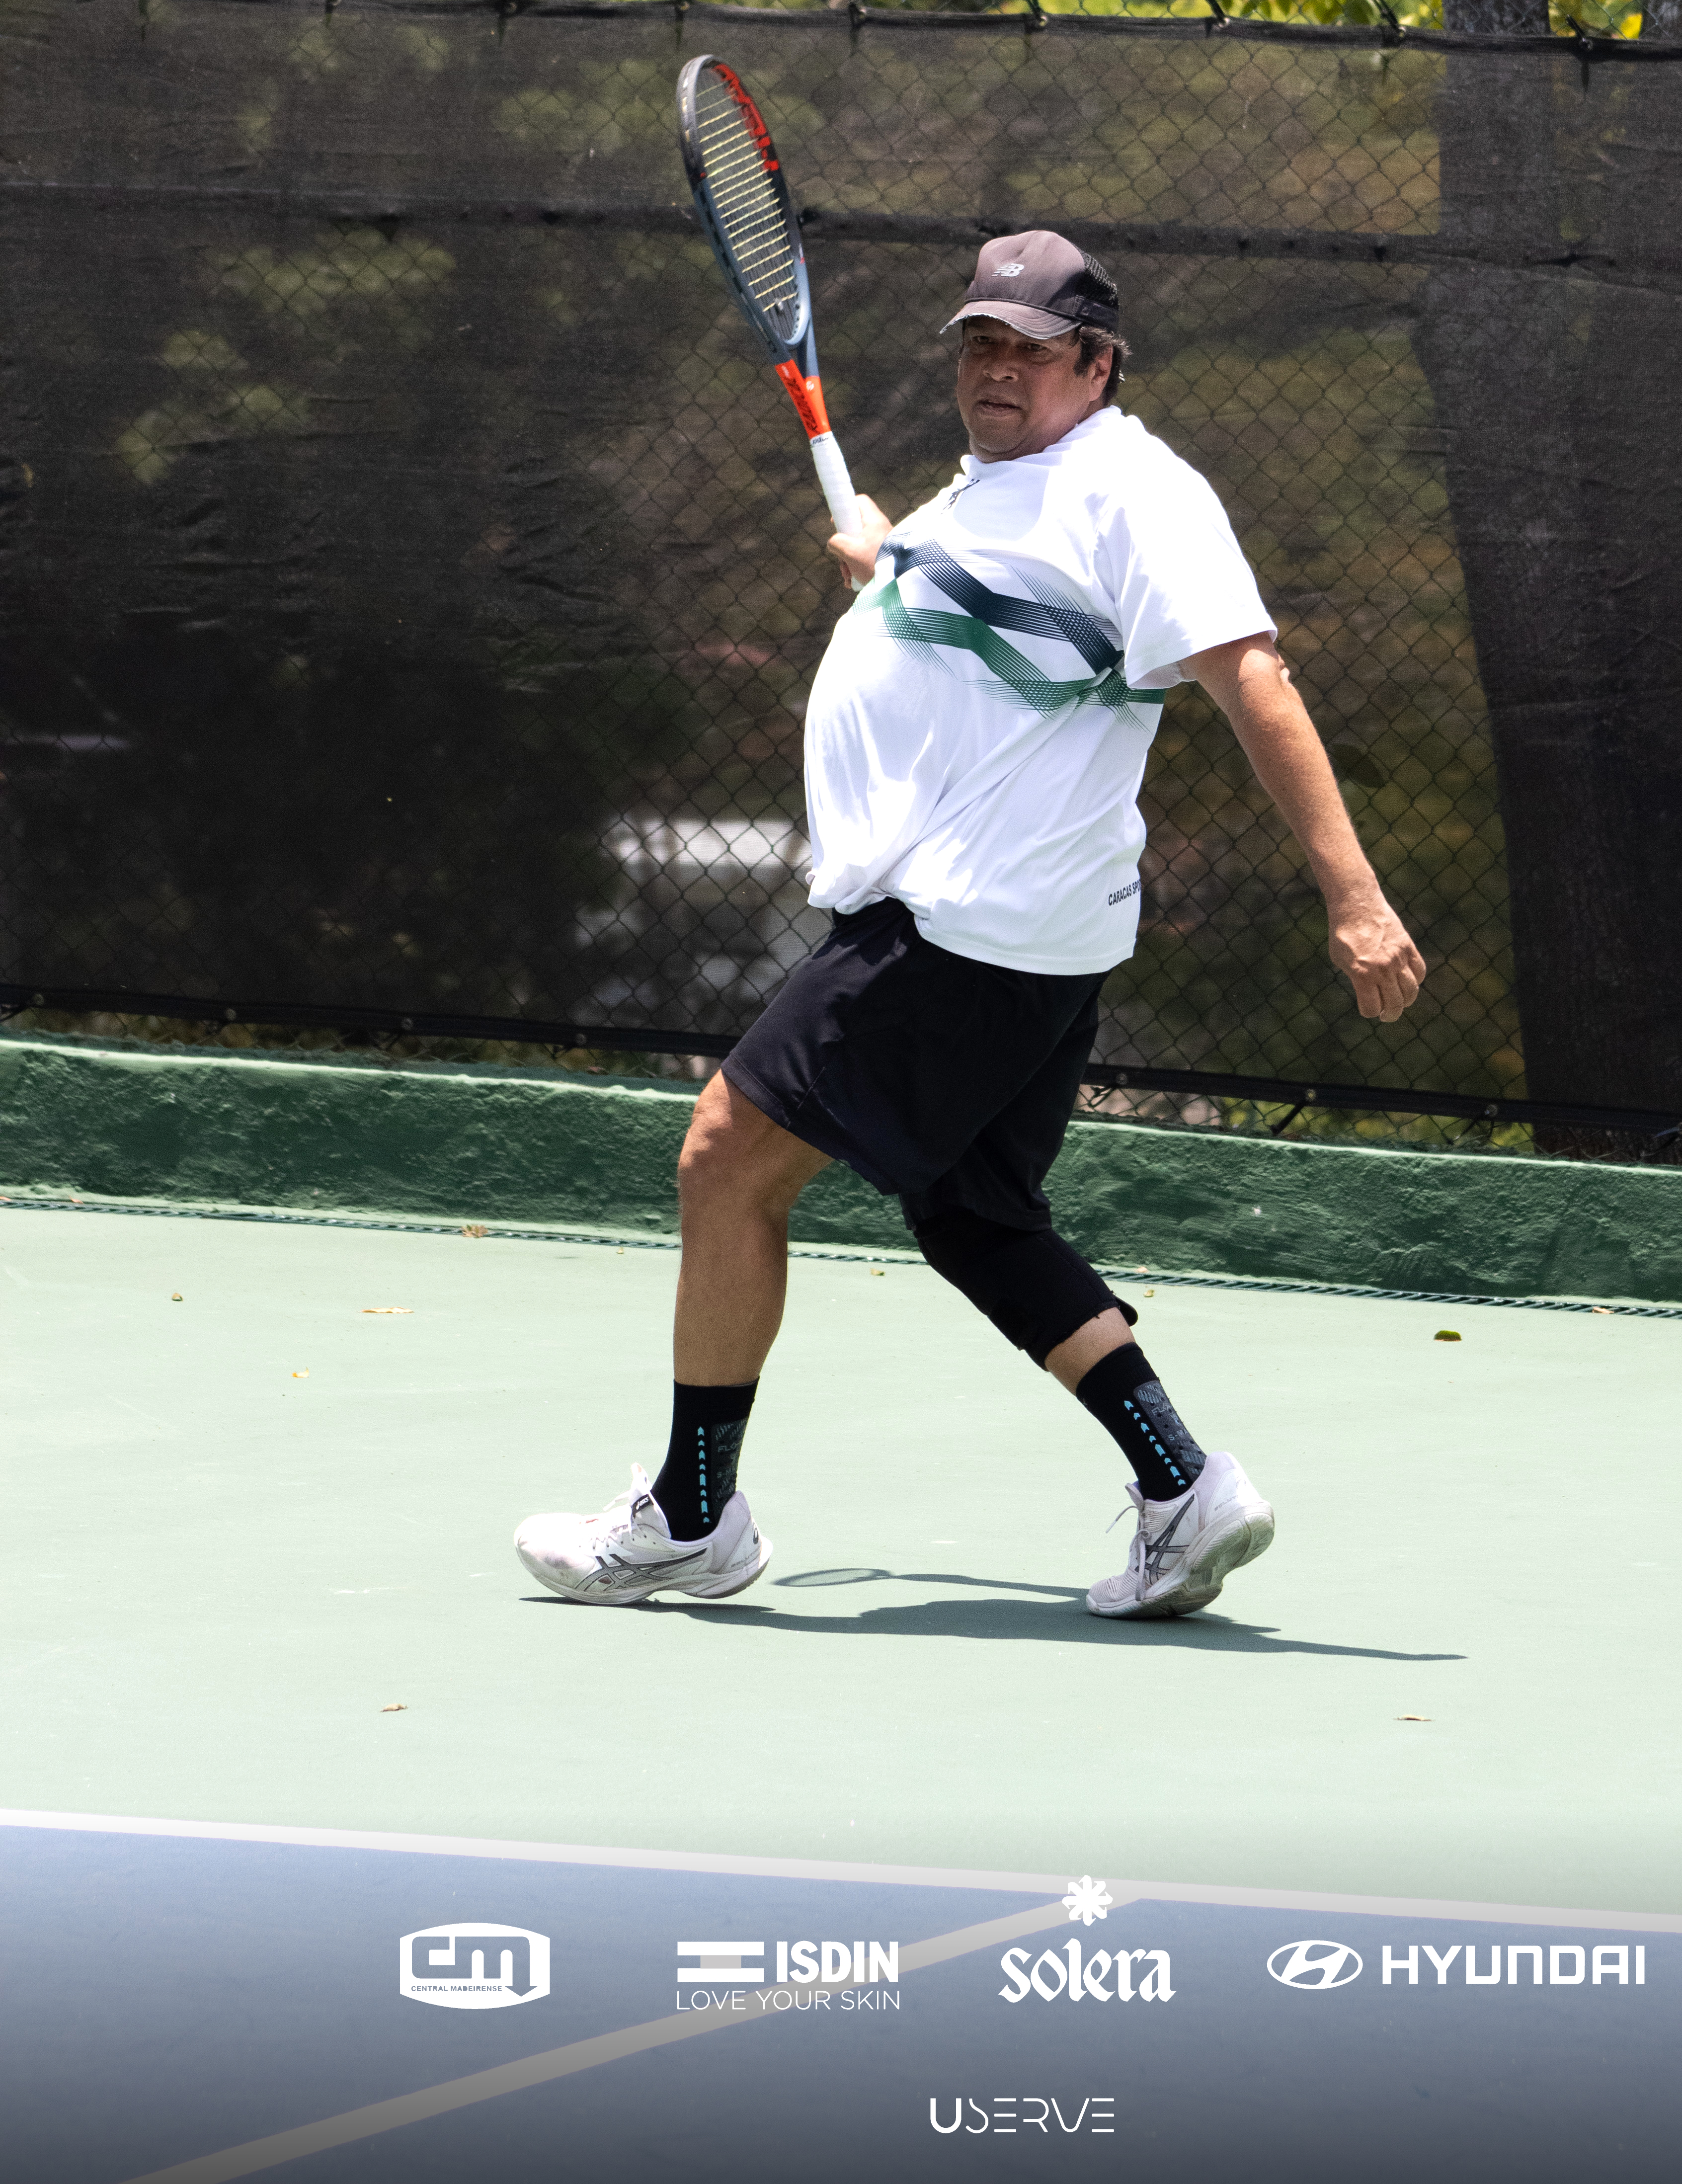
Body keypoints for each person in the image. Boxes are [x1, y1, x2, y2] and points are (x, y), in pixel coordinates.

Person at [516, 232, 1424, 1620]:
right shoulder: (995, 495)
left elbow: (1255, 682)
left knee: (723, 1158)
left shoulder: (1135, 490)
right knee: (974, 1213)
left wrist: (1353, 897)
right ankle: (1185, 1490)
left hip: (964, 922)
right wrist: (892, 573)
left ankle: (694, 1517)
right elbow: (1002, 645)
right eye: (979, 345)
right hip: (1029, 931)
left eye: (1032, 349)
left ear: (1098, 364)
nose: (997, 370)